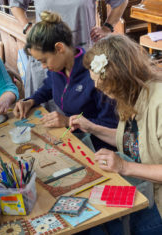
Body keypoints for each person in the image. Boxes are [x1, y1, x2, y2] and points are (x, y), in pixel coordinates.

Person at [70, 34, 162, 234]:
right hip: (146, 192)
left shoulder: (159, 102)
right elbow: (133, 141)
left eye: (99, 81)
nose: (95, 87)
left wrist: (124, 166)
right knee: (95, 219)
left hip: (158, 203)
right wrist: (92, 127)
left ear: (118, 76)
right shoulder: (131, 94)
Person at [13, 11, 118, 151]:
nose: (44, 66)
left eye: (44, 61)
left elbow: (110, 125)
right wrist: (31, 101)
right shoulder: (58, 69)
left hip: (98, 148)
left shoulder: (96, 73)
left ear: (59, 48)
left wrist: (68, 122)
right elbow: (48, 88)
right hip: (74, 139)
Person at [10, 0, 128, 111]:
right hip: (46, 55)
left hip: (83, 61)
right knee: (43, 114)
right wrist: (28, 28)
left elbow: (120, 2)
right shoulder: (46, 65)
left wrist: (107, 28)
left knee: (84, 110)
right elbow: (15, 4)